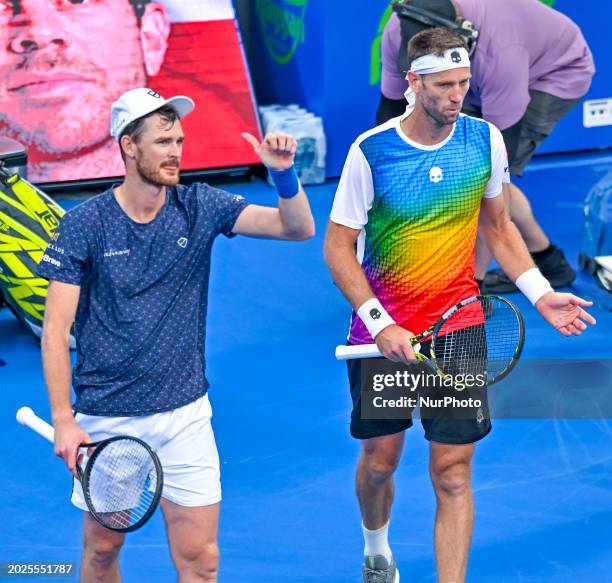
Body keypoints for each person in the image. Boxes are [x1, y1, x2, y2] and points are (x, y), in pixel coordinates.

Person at [324, 28, 595, 583]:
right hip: (387, 337)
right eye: (444, 84)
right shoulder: (371, 151)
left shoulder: (484, 140)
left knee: (452, 471)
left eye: (464, 82)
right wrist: (379, 324)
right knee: (380, 463)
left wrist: (541, 294)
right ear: (414, 83)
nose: (456, 94)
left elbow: (498, 225)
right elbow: (336, 247)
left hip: (460, 328)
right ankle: (377, 550)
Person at [36, 87, 314, 582]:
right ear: (128, 145)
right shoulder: (84, 225)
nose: (176, 151)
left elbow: (296, 229)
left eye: (179, 140)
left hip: (186, 415)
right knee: (102, 552)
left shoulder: (199, 205)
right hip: (108, 418)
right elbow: (54, 330)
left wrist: (283, 175)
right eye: (163, 141)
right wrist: (63, 419)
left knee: (202, 561)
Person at [377, 0, 595, 294]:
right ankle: (549, 261)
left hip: (553, 72)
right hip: (486, 73)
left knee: (480, 183)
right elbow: (391, 109)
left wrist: (468, 287)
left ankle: (471, 286)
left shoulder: (501, 54)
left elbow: (493, 178)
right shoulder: (399, 28)